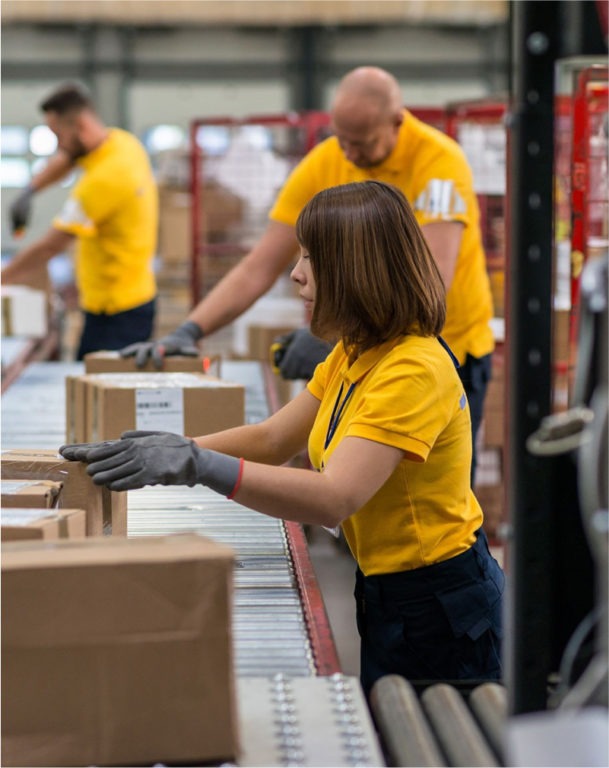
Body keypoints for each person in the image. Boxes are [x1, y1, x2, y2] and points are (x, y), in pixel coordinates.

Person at [60, 181, 504, 697]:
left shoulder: (413, 369)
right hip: (389, 590)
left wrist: (198, 465)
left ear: (354, 269)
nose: (296, 274)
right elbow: (275, 437)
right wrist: (166, 448)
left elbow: (335, 498)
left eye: (311, 259)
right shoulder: (357, 351)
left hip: (442, 604)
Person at [122, 66, 494, 482]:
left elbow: (431, 278)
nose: (349, 154)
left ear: (397, 121)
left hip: (447, 344)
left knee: (422, 483)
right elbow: (259, 266)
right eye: (342, 139)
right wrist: (190, 330)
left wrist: (337, 334)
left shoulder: (438, 163)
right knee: (366, 485)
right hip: (366, 344)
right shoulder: (328, 160)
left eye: (362, 143)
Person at [2, 82, 158, 360]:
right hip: (123, 299)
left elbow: (51, 246)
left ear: (80, 124)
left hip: (117, 313)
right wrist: (30, 190)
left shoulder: (105, 180)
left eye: (57, 134)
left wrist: (4, 278)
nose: (57, 145)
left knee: (100, 392)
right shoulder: (121, 143)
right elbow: (67, 159)